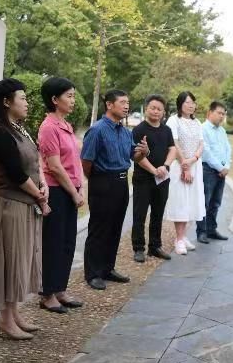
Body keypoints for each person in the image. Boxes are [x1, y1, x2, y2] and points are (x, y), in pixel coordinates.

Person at [0, 79, 48, 339]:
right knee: (11, 261)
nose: (27, 103)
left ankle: (14, 314)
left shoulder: (18, 129)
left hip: (26, 203)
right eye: (22, 98)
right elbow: (16, 174)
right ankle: (5, 319)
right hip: (11, 206)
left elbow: (34, 164)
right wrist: (40, 196)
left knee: (21, 259)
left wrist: (43, 185)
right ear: (7, 102)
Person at [81, 90, 149, 290]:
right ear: (109, 105)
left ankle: (107, 268)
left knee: (115, 227)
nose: (127, 106)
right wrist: (96, 180)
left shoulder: (125, 132)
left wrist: (144, 152)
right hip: (102, 182)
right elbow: (86, 161)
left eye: (128, 102)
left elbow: (133, 157)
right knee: (99, 229)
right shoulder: (97, 130)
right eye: (122, 102)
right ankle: (93, 273)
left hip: (121, 182)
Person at [38, 77, 85, 312]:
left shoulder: (65, 125)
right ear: (55, 99)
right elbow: (55, 166)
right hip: (56, 191)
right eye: (69, 96)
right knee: (53, 243)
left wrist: (80, 187)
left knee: (67, 241)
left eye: (73, 96)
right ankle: (48, 293)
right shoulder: (48, 127)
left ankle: (60, 289)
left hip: (70, 189)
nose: (73, 100)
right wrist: (74, 193)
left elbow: (74, 160)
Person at [131, 94, 177, 263]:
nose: (156, 111)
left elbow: (173, 149)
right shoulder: (138, 130)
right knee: (140, 214)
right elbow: (136, 156)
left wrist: (165, 166)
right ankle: (138, 248)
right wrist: (153, 170)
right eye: (153, 108)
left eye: (159, 109)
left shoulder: (166, 130)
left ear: (163, 112)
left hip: (162, 179)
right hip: (143, 179)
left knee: (158, 213)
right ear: (146, 109)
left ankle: (155, 246)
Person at [165, 91, 205, 255]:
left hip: (195, 165)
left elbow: (201, 144)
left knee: (191, 202)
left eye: (193, 102)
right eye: (187, 102)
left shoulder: (197, 122)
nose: (190, 105)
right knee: (180, 201)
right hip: (179, 166)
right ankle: (179, 239)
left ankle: (183, 237)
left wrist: (193, 159)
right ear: (180, 104)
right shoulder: (173, 120)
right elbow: (174, 143)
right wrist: (185, 166)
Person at [197, 101, 232, 244]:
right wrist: (220, 168)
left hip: (221, 171)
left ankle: (211, 230)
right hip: (208, 170)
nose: (221, 116)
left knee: (216, 203)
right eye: (219, 113)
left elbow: (228, 149)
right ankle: (201, 232)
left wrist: (227, 166)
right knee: (204, 202)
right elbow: (206, 152)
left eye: (223, 114)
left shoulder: (222, 131)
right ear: (210, 113)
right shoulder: (203, 129)